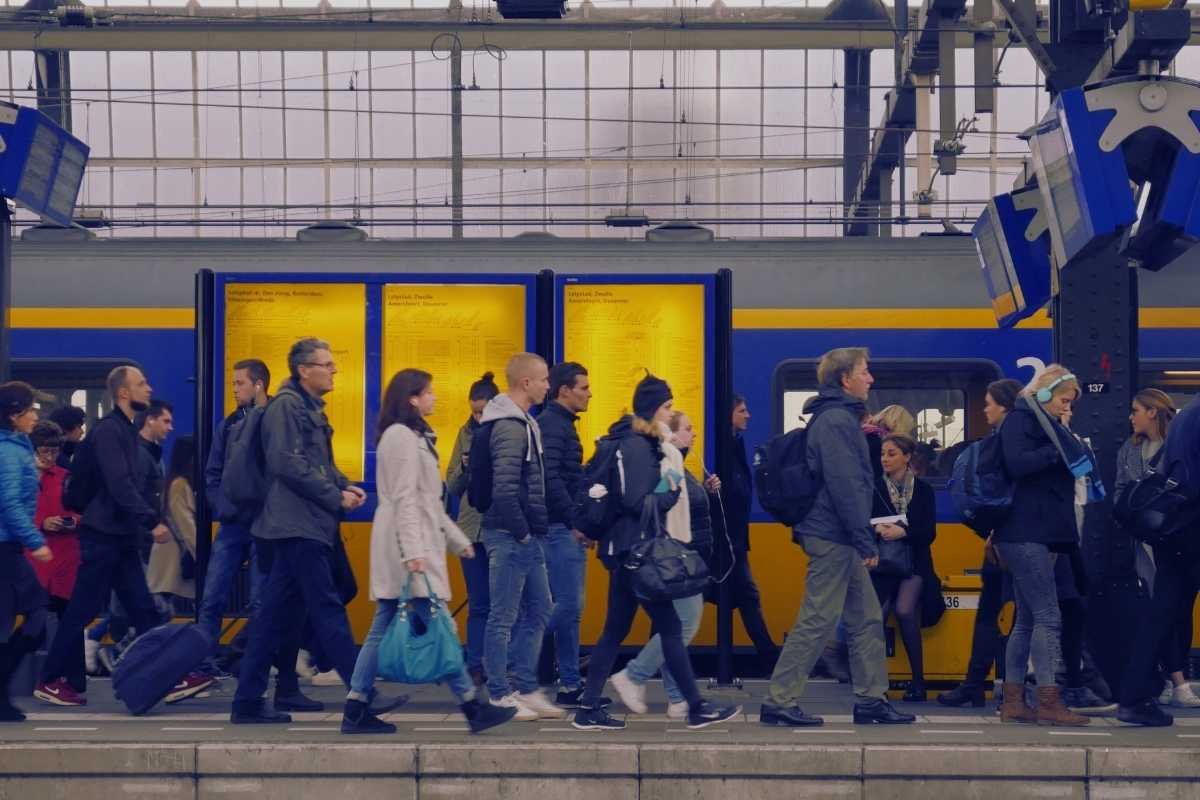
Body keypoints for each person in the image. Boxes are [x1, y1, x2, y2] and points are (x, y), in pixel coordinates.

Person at [342, 369, 517, 735]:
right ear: (412, 399)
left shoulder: (412, 436)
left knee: (385, 625)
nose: (435, 397)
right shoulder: (402, 437)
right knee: (440, 626)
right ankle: (472, 705)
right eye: (429, 392)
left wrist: (456, 540)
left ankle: (356, 706)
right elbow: (407, 499)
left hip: (411, 540)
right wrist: (412, 553)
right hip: (408, 545)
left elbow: (429, 503)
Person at [36, 367, 213, 707]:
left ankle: (173, 676)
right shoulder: (110, 432)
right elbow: (119, 485)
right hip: (103, 537)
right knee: (82, 609)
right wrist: (151, 522)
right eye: (142, 384)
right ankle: (49, 678)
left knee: (143, 610)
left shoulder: (126, 431)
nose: (149, 388)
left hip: (119, 537)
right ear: (122, 393)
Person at [572, 374, 740, 731]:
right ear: (652, 409)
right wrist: (672, 489)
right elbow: (636, 500)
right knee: (669, 627)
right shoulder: (637, 446)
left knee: (618, 631)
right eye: (666, 407)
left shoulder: (637, 442)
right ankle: (694, 706)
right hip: (638, 552)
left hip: (629, 551)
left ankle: (589, 708)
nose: (669, 413)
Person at [760, 347, 914, 727]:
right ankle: (779, 700)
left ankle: (870, 700)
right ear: (845, 379)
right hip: (832, 534)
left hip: (838, 534)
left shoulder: (840, 419)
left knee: (865, 620)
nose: (871, 378)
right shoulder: (836, 422)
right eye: (865, 371)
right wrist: (864, 540)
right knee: (818, 618)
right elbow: (847, 485)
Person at [231, 337, 380, 725]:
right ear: (304, 370)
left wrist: (345, 485)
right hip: (296, 523)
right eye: (326, 364)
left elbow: (317, 462)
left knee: (271, 618)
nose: (334, 370)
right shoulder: (286, 407)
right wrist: (334, 496)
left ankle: (247, 702)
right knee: (327, 608)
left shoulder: (307, 408)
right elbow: (285, 463)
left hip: (302, 523)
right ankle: (362, 697)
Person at [993, 364, 1089, 727]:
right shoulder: (1022, 421)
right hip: (1026, 530)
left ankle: (1014, 701)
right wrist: (1058, 449)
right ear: (1046, 394)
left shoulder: (1042, 424)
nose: (1067, 409)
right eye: (1064, 400)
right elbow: (1017, 465)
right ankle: (1049, 700)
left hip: (1036, 531)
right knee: (1049, 616)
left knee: (1028, 618)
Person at [613, 409, 718, 720]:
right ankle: (633, 675)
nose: (693, 433)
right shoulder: (666, 459)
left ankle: (678, 697)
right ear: (670, 432)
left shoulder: (680, 464)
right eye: (687, 428)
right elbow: (658, 499)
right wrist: (672, 481)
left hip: (677, 553)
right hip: (670, 555)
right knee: (684, 623)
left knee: (673, 627)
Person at [479, 353, 560, 721]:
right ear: (525, 383)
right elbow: (505, 490)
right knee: (503, 616)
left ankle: (525, 686)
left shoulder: (525, 422)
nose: (548, 385)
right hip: (510, 535)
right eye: (543, 379)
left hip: (525, 535)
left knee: (540, 608)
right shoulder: (511, 427)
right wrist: (525, 534)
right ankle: (499, 692)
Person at [1116, 392, 1200, 727]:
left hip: (1174, 526)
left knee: (1162, 610)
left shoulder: (1188, 412)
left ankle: (1134, 697)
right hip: (1192, 524)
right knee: (1164, 610)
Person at [939, 378, 1021, 708]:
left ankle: (982, 684)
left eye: (989, 402)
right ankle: (999, 686)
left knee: (1000, 614)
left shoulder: (1004, 443)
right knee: (1014, 615)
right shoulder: (1012, 441)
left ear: (1005, 405)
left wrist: (991, 531)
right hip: (1008, 537)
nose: (984, 408)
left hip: (1005, 539)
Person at [535, 361, 593, 706]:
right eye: (584, 387)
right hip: (559, 528)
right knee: (569, 606)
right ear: (564, 391)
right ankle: (511, 659)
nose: (589, 393)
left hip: (562, 526)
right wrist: (575, 519)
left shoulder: (561, 425)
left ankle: (570, 685)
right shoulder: (554, 426)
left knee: (570, 610)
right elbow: (551, 477)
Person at [714, 395, 780, 675]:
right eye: (742, 410)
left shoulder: (733, 445)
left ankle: (770, 658)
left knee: (746, 598)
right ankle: (771, 659)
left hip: (733, 541)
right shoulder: (724, 448)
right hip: (725, 542)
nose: (749, 415)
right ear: (728, 415)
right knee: (748, 597)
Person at [0, 381, 53, 722]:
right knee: (36, 612)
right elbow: (8, 503)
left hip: (9, 546)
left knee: (6, 620)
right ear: (14, 414)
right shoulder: (7, 452)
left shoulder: (17, 446)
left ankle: (2, 697)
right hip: (5, 547)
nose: (36, 415)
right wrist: (37, 542)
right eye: (31, 409)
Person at [870, 433, 936, 701]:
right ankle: (875, 686)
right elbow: (863, 521)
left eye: (892, 454)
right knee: (876, 617)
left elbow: (929, 532)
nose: (885, 458)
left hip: (914, 562)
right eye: (883, 454)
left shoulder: (923, 490)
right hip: (883, 563)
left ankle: (918, 682)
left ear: (907, 457)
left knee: (905, 609)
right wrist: (876, 528)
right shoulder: (874, 487)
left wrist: (902, 532)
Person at [446, 371, 501, 686]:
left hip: (500, 527)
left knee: (504, 604)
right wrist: (466, 467)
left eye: (483, 411)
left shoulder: (508, 431)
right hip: (470, 528)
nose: (478, 417)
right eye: (474, 411)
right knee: (479, 601)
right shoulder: (464, 434)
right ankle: (475, 664)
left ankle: (500, 663)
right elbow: (452, 485)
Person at [27, 421, 81, 630]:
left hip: (65, 559)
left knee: (68, 624)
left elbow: (83, 512)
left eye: (55, 451)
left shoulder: (66, 477)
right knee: (35, 626)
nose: (50, 457)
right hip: (33, 560)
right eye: (44, 451)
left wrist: (73, 521)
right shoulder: (19, 478)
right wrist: (41, 523)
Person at [148, 435, 197, 614]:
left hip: (172, 555)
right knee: (161, 609)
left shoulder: (175, 482)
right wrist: (203, 553)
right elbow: (186, 526)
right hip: (171, 557)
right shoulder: (179, 484)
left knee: (162, 609)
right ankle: (99, 634)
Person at [49, 405, 86, 471]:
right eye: (79, 427)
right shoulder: (59, 462)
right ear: (66, 428)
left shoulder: (57, 454)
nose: (82, 432)